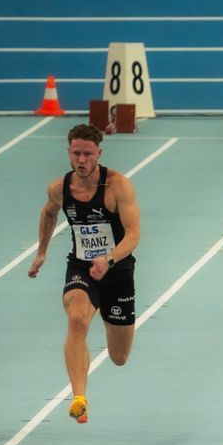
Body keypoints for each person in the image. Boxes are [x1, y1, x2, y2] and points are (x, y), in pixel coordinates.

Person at [28, 124, 141, 424]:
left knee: (119, 357)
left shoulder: (117, 186)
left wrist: (109, 258)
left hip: (117, 270)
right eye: (76, 153)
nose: (82, 160)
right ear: (68, 153)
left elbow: (133, 235)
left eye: (88, 154)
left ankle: (107, 314)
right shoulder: (60, 189)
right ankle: (79, 397)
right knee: (77, 318)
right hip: (81, 267)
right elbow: (48, 212)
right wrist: (42, 252)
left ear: (99, 154)